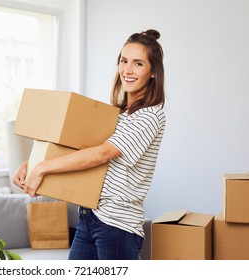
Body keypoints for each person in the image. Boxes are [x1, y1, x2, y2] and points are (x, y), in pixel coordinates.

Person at [13, 29, 166, 260]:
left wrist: (43, 168)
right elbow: (77, 151)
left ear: (153, 71)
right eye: (123, 61)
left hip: (117, 225)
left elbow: (102, 154)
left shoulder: (151, 116)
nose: (127, 70)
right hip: (89, 216)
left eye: (138, 64)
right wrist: (32, 163)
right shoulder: (119, 115)